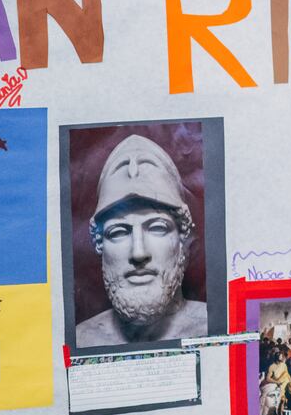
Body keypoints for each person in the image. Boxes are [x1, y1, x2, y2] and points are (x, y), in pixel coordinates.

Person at [75, 134, 207, 346]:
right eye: (118, 232)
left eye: (157, 228)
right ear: (99, 243)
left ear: (183, 237)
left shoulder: (216, 328)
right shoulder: (80, 340)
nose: (138, 253)